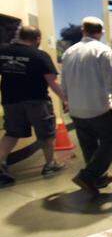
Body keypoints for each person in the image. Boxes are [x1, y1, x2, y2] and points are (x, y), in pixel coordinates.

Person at [60, 16, 112, 197]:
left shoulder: (69, 52)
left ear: (83, 30)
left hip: (76, 109)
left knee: (88, 145)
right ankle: (87, 176)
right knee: (111, 138)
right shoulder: (102, 51)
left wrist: (66, 101)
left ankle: (98, 178)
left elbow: (63, 82)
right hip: (97, 107)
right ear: (101, 32)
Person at [0, 25, 68, 187]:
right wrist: (65, 99)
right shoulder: (39, 55)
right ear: (37, 39)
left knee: (12, 133)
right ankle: (50, 164)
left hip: (11, 101)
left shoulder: (3, 51)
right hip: (36, 101)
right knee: (46, 133)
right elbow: (52, 82)